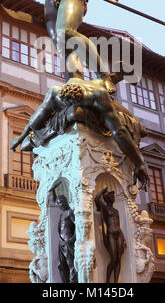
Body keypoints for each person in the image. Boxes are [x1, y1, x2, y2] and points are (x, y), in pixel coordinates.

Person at [10, 76, 149, 191]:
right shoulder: (55, 94)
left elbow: (118, 130)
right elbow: (35, 119)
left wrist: (139, 163)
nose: (70, 108)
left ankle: (139, 126)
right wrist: (20, 137)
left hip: (104, 102)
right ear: (62, 100)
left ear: (82, 100)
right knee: (72, 114)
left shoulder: (98, 95)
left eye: (75, 104)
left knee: (128, 120)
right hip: (72, 104)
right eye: (66, 105)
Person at [49, 179, 78, 283]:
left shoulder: (70, 212)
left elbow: (78, 226)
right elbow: (53, 199)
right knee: (61, 265)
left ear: (65, 202)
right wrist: (53, 189)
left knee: (71, 264)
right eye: (58, 203)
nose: (59, 204)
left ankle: (73, 282)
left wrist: (71, 239)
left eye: (60, 203)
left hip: (67, 240)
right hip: (61, 241)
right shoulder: (62, 213)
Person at [94, 188, 126, 283]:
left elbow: (119, 225)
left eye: (113, 196)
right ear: (107, 198)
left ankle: (116, 281)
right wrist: (103, 191)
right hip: (111, 234)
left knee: (119, 258)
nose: (113, 197)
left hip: (119, 234)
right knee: (113, 259)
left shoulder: (116, 211)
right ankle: (107, 280)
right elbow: (97, 198)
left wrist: (123, 238)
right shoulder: (105, 208)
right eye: (111, 196)